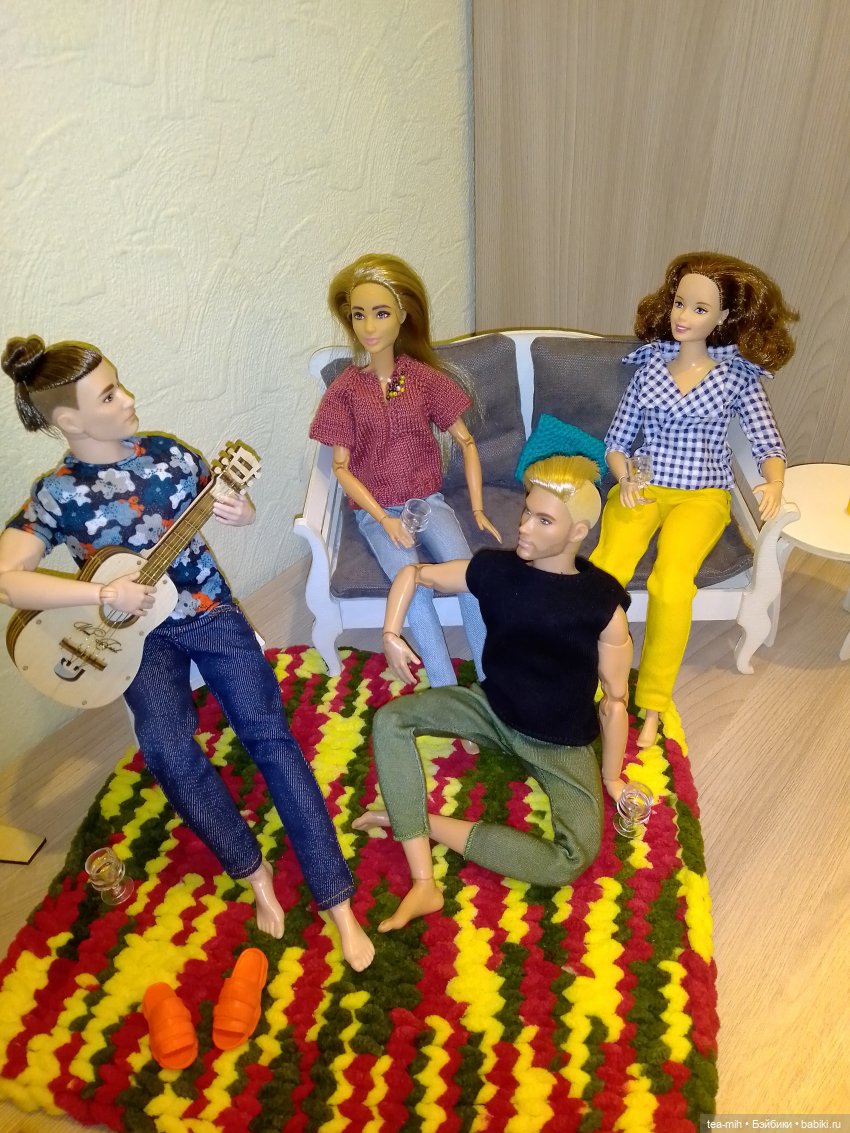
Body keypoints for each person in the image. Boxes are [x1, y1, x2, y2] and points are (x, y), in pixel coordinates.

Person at [0, 335, 374, 971]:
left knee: (270, 735)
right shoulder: (57, 495)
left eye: (120, 385)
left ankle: (336, 896)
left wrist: (239, 508)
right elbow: (9, 580)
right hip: (135, 641)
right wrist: (101, 592)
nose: (128, 399)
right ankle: (252, 871)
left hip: (210, 614)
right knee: (165, 747)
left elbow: (239, 510)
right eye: (109, 395)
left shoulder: (171, 457)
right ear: (69, 420)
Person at [352, 455, 632, 932]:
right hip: (491, 707)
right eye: (527, 511)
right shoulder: (498, 571)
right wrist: (390, 632)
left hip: (561, 741)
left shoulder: (602, 603)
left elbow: (615, 701)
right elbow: (415, 574)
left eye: (543, 520)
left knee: (570, 861)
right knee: (391, 719)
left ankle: (415, 820)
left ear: (578, 531)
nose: (523, 526)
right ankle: (423, 882)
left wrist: (610, 777)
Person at [589, 251, 798, 748]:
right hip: (644, 486)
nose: (683, 316)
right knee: (603, 572)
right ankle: (587, 676)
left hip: (703, 495)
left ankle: (653, 702)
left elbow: (767, 443)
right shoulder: (648, 369)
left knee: (671, 583)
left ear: (723, 317)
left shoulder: (737, 377)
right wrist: (625, 477)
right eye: (680, 303)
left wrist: (774, 483)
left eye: (699, 309)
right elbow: (616, 441)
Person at [309, 253, 501, 689]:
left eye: (380, 313)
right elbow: (340, 467)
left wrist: (477, 509)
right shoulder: (344, 392)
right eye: (359, 315)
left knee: (470, 579)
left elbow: (466, 441)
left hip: (427, 502)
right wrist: (383, 519)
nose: (369, 327)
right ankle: (445, 689)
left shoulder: (423, 379)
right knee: (415, 593)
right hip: (376, 511)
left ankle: (493, 681)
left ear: (403, 315)